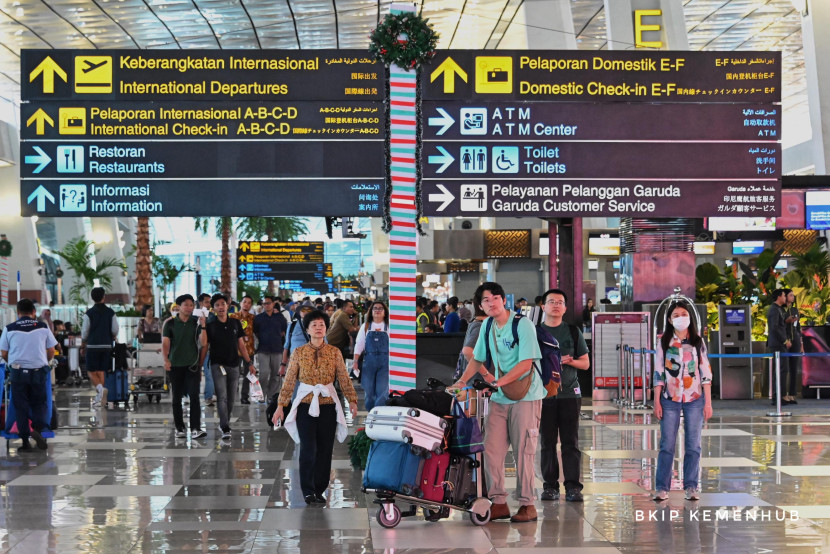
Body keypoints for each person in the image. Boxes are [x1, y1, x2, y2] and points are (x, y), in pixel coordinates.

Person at [452, 282, 544, 523]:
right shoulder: (488, 325)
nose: (491, 303)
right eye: (485, 300)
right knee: (490, 449)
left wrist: (498, 383)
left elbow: (525, 364)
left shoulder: (522, 325)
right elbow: (477, 357)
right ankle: (499, 501)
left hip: (526, 395)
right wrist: (462, 382)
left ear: (504, 300)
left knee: (524, 451)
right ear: (480, 305)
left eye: (494, 298)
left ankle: (527, 505)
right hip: (500, 397)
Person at [272, 310, 358, 505]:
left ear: (326, 328)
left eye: (322, 325)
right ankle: (308, 490)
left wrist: (352, 400)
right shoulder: (299, 352)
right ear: (308, 330)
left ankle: (320, 489)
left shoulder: (334, 352)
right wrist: (280, 406)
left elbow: (343, 378)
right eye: (314, 325)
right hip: (305, 406)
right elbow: (290, 380)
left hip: (328, 405)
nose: (319, 328)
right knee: (308, 448)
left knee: (325, 449)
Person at [653, 301, 713, 502]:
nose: (681, 317)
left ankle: (691, 486)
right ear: (670, 320)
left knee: (693, 444)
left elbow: (705, 372)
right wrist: (656, 400)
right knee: (667, 444)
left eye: (684, 313)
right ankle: (662, 488)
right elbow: (659, 371)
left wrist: (708, 402)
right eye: (676, 315)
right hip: (669, 398)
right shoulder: (663, 342)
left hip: (694, 397)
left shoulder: (697, 341)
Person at [538, 289, 590, 503]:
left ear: (565, 308)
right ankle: (550, 486)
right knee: (547, 442)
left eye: (560, 302)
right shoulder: (535, 332)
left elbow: (585, 363)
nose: (556, 305)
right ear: (543, 307)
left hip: (569, 393)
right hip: (543, 394)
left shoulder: (573, 331)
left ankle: (573, 487)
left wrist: (568, 361)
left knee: (571, 442)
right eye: (551, 302)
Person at [0, 298, 58, 452]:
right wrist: (44, 361)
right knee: (39, 403)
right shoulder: (42, 327)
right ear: (34, 312)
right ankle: (38, 431)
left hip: (18, 372)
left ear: (18, 313)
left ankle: (25, 441)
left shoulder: (9, 328)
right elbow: (52, 350)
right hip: (38, 371)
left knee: (21, 406)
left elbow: (4, 353)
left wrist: (11, 364)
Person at [202, 294, 255, 439]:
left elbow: (241, 345)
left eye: (223, 304)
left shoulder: (235, 323)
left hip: (234, 364)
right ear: (213, 308)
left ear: (228, 306)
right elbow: (204, 345)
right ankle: (224, 425)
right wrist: (200, 363)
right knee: (222, 396)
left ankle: (225, 420)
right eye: (217, 305)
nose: (220, 307)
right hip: (217, 364)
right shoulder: (210, 325)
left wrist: (249, 362)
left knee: (232, 398)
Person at [162, 294, 207, 439]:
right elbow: (165, 343)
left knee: (194, 396)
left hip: (192, 365)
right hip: (175, 364)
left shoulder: (196, 322)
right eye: (186, 305)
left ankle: (195, 428)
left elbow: (204, 343)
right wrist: (166, 360)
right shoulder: (170, 323)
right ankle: (179, 427)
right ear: (179, 306)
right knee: (177, 397)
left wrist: (204, 325)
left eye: (191, 305)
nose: (189, 307)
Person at [82, 287, 118, 408]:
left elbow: (85, 332)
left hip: (92, 345)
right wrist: (112, 336)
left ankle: (100, 389)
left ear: (92, 298)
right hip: (106, 345)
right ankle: (101, 397)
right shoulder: (111, 312)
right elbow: (115, 329)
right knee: (101, 370)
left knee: (91, 371)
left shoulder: (89, 313)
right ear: (104, 297)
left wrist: (84, 342)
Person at [353, 301, 389, 412]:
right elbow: (359, 344)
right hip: (369, 362)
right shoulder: (366, 326)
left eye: (380, 308)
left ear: (385, 312)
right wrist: (355, 361)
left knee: (382, 391)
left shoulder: (388, 326)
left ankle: (378, 414)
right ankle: (371, 412)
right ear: (371, 311)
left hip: (385, 362)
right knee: (368, 391)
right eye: (375, 308)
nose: (377, 310)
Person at [254, 295, 287, 402]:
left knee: (276, 375)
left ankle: (272, 396)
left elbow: (283, 332)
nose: (266, 305)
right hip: (263, 349)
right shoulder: (258, 318)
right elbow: (256, 332)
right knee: (263, 373)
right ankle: (261, 395)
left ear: (273, 304)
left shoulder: (280, 318)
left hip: (277, 349)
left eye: (268, 303)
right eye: (264, 304)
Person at [231, 295, 257, 404]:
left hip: (249, 350)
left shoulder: (253, 318)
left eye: (249, 302)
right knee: (234, 374)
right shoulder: (233, 316)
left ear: (251, 305)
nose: (246, 304)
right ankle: (232, 394)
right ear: (240, 303)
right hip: (235, 350)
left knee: (248, 374)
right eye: (244, 302)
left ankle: (244, 396)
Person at [766, 289, 790, 406]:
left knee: (783, 370)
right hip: (777, 345)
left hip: (780, 344)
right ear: (779, 297)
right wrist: (784, 340)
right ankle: (777, 397)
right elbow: (774, 328)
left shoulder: (779, 310)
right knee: (779, 371)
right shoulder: (774, 310)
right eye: (784, 296)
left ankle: (781, 396)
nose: (785, 298)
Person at [453, 303, 487, 381]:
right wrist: (486, 374)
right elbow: (468, 351)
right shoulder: (480, 326)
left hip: (473, 381)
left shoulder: (475, 323)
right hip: (477, 382)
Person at [783, 289, 802, 405]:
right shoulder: (781, 309)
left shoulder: (794, 310)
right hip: (784, 339)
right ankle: (783, 394)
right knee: (784, 368)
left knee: (794, 367)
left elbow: (798, 326)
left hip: (795, 338)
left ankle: (792, 394)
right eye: (790, 295)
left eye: (793, 295)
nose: (793, 297)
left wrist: (801, 342)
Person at [197, 293, 217, 406]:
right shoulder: (193, 316)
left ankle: (208, 396)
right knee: (193, 374)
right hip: (194, 349)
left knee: (209, 374)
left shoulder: (213, 317)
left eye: (210, 302)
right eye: (206, 302)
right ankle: (190, 396)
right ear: (200, 303)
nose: (209, 304)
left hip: (208, 349)